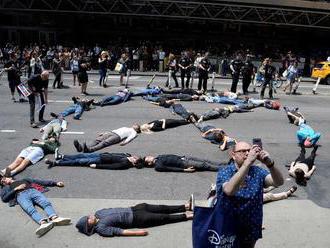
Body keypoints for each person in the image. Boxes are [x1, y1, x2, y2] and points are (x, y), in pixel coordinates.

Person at [216, 141, 284, 247]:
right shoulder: (225, 172)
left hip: (251, 227)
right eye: (243, 151)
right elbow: (229, 190)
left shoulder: (257, 171)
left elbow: (279, 182)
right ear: (233, 155)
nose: (247, 154)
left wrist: (270, 164)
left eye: (249, 150)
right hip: (229, 226)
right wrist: (247, 163)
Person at [0, 175, 71, 237]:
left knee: (45, 203)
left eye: (4, 179)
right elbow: (4, 198)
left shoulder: (23, 179)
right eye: (2, 182)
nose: (4, 181)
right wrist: (16, 189)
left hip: (32, 191)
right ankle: (43, 224)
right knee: (30, 210)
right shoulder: (5, 188)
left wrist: (55, 183)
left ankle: (54, 218)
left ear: (9, 177)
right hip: (20, 196)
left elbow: (39, 181)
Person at [76, 201, 193, 237]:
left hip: (136, 208)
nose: (89, 216)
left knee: (162, 208)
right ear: (89, 225)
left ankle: (185, 206)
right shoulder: (101, 228)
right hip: (138, 219)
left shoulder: (98, 213)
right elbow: (120, 232)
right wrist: (137, 233)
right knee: (164, 217)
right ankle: (187, 216)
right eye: (87, 219)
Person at [73, 125, 141, 153]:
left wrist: (125, 142)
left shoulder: (134, 132)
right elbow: (116, 129)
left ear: (137, 128)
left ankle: (89, 150)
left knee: (104, 143)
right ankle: (81, 148)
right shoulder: (126, 127)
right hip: (112, 132)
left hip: (117, 137)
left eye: (136, 125)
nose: (134, 124)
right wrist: (105, 133)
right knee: (97, 140)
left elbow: (130, 137)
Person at [46, 152, 145, 170]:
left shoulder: (125, 164)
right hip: (101, 155)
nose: (135, 156)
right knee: (81, 155)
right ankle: (61, 156)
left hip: (100, 160)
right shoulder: (127, 155)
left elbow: (111, 167)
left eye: (136, 158)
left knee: (79, 161)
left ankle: (56, 163)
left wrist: (97, 166)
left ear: (134, 162)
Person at [144, 154, 225, 172]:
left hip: (184, 157)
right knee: (205, 165)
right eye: (148, 158)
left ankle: (224, 164)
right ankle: (225, 169)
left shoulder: (158, 156)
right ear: (149, 163)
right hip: (184, 163)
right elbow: (170, 169)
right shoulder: (158, 166)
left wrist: (181, 156)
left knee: (206, 160)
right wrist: (184, 170)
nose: (150, 156)